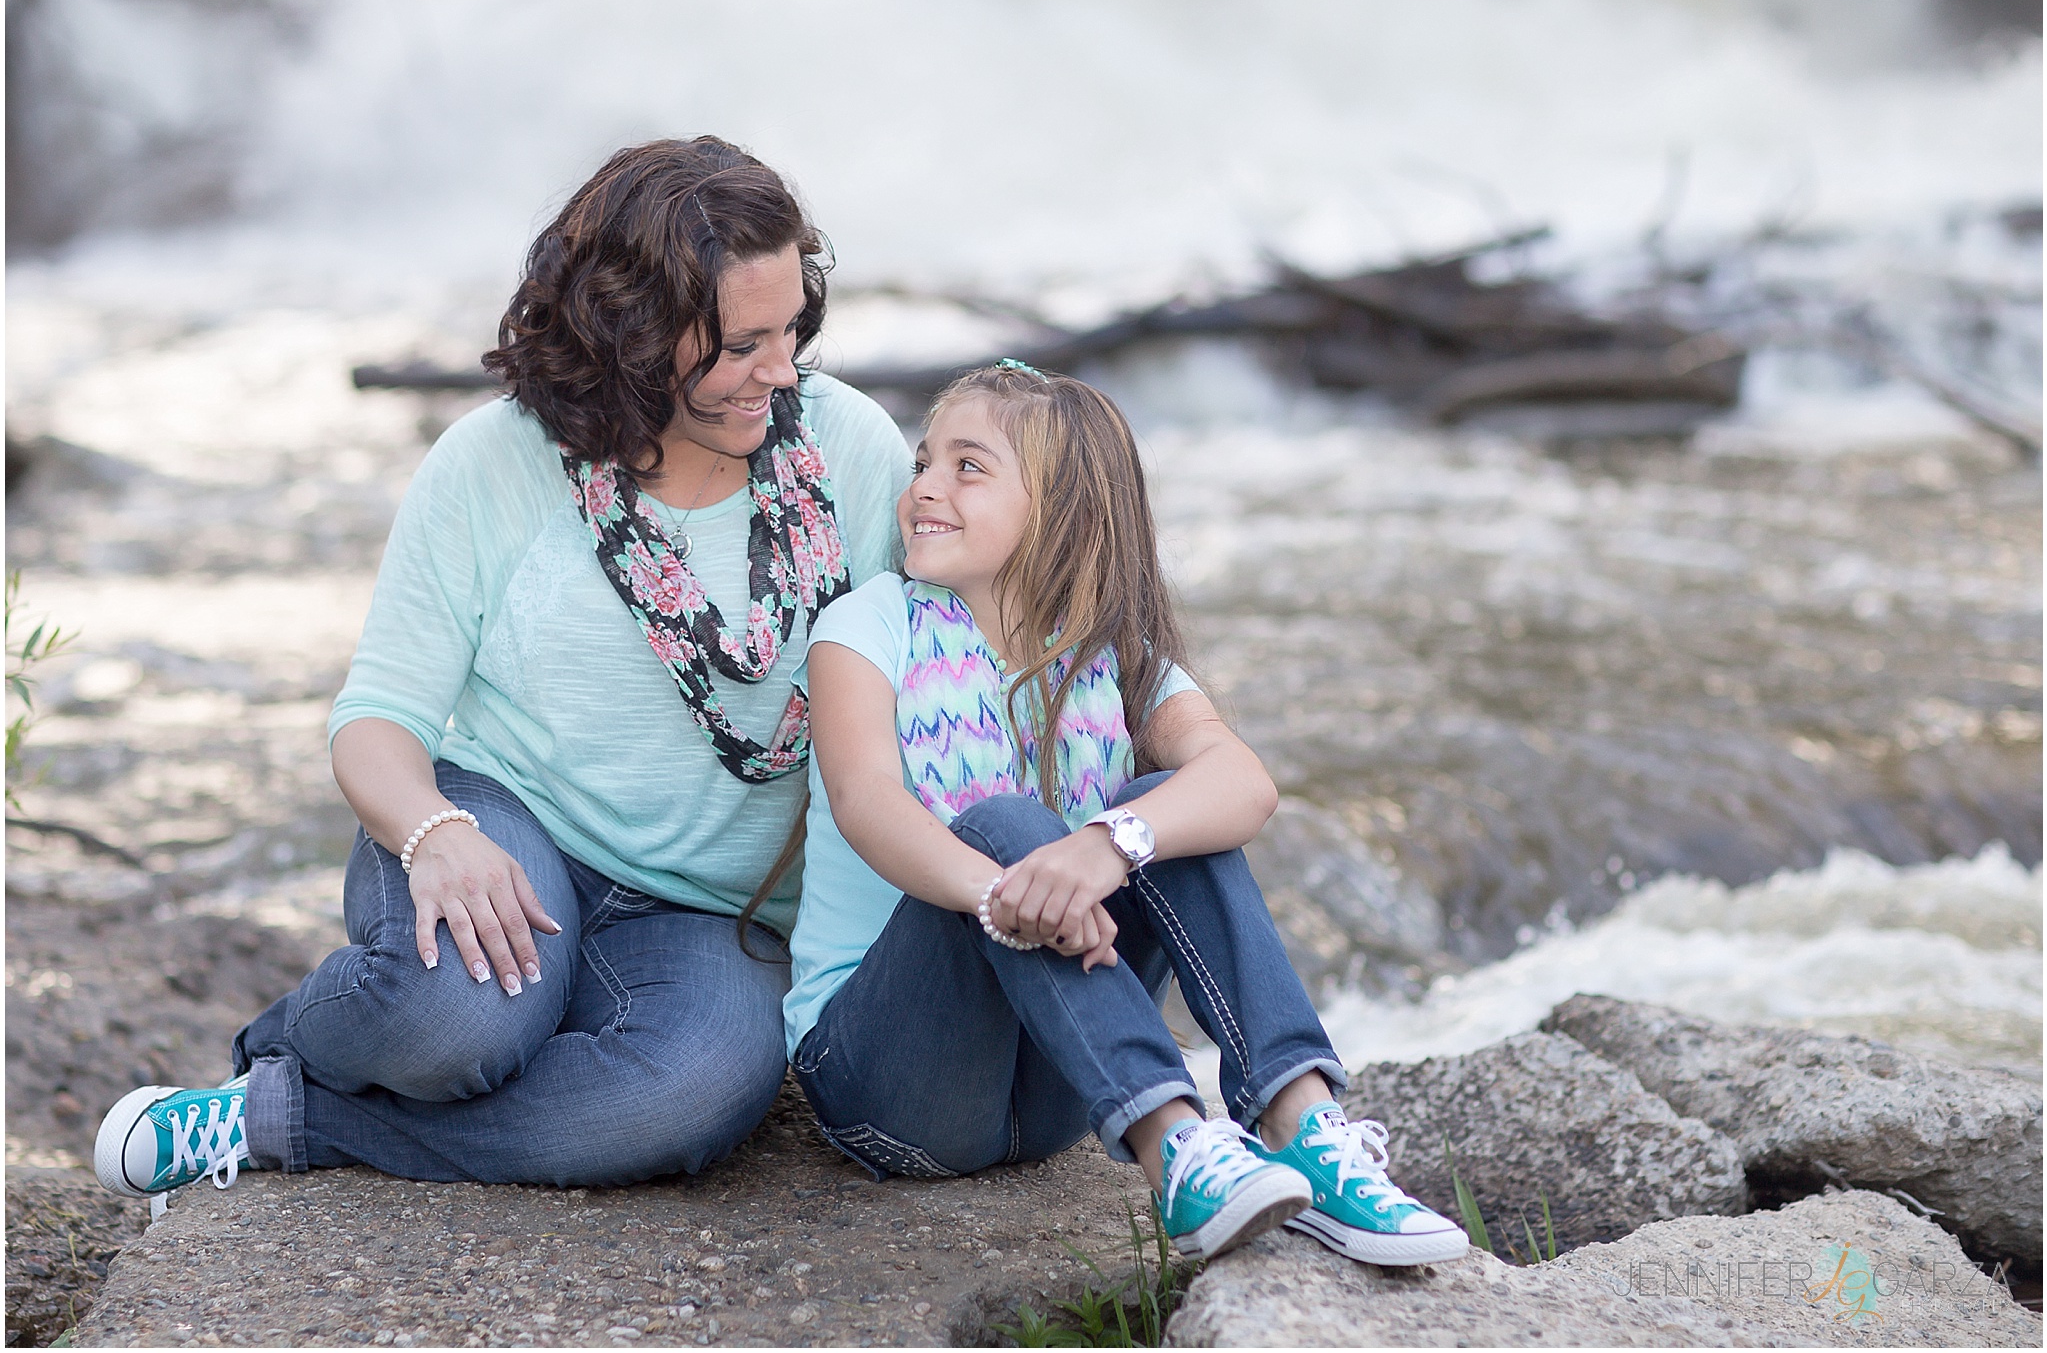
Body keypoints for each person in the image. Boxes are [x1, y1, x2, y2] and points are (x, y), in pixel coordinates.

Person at [93, 138, 912, 1200]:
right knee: (447, 1026)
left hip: (711, 910)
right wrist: (436, 834)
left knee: (689, 1094)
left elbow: (950, 661)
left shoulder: (852, 451)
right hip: (501, 823)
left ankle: (278, 1110)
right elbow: (379, 719)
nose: (783, 369)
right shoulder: (493, 461)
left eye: (794, 327)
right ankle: (326, 1027)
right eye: (742, 342)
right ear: (632, 331)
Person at [783, 362, 1467, 1267]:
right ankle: (1176, 1149)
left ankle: (1306, 1130)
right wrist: (1018, 891)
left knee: (1164, 809)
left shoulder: (1112, 655)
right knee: (1006, 823)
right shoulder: (867, 626)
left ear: (1059, 508)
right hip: (891, 1081)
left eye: (968, 467)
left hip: (1057, 1096)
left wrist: (1109, 845)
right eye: (924, 463)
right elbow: (869, 804)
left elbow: (1243, 783)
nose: (925, 489)